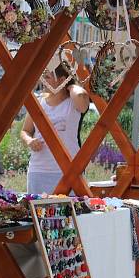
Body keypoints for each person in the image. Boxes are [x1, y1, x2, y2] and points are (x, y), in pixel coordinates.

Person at [21, 63, 89, 194]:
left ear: (62, 79)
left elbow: (82, 96)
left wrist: (70, 85)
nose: (43, 80)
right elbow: (25, 131)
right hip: (38, 170)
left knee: (69, 213)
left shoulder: (73, 101)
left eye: (47, 77)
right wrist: (30, 141)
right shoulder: (39, 101)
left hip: (66, 170)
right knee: (36, 213)